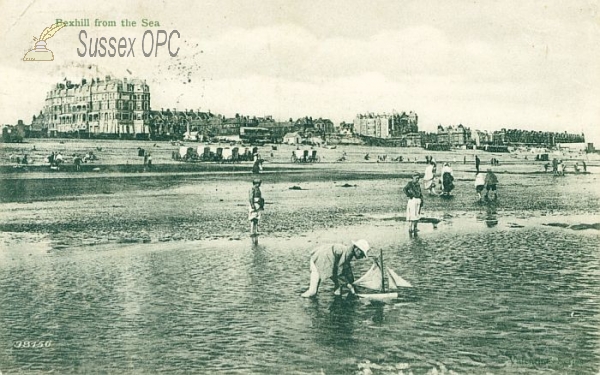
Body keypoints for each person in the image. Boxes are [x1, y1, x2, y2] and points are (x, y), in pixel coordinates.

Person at [301, 239, 370, 298]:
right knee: (312, 292)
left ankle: (337, 299)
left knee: (339, 286)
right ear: (357, 249)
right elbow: (340, 272)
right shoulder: (347, 253)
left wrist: (351, 283)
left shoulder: (349, 252)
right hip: (319, 260)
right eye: (362, 254)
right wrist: (349, 285)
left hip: (325, 259)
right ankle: (301, 303)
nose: (362, 257)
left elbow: (347, 270)